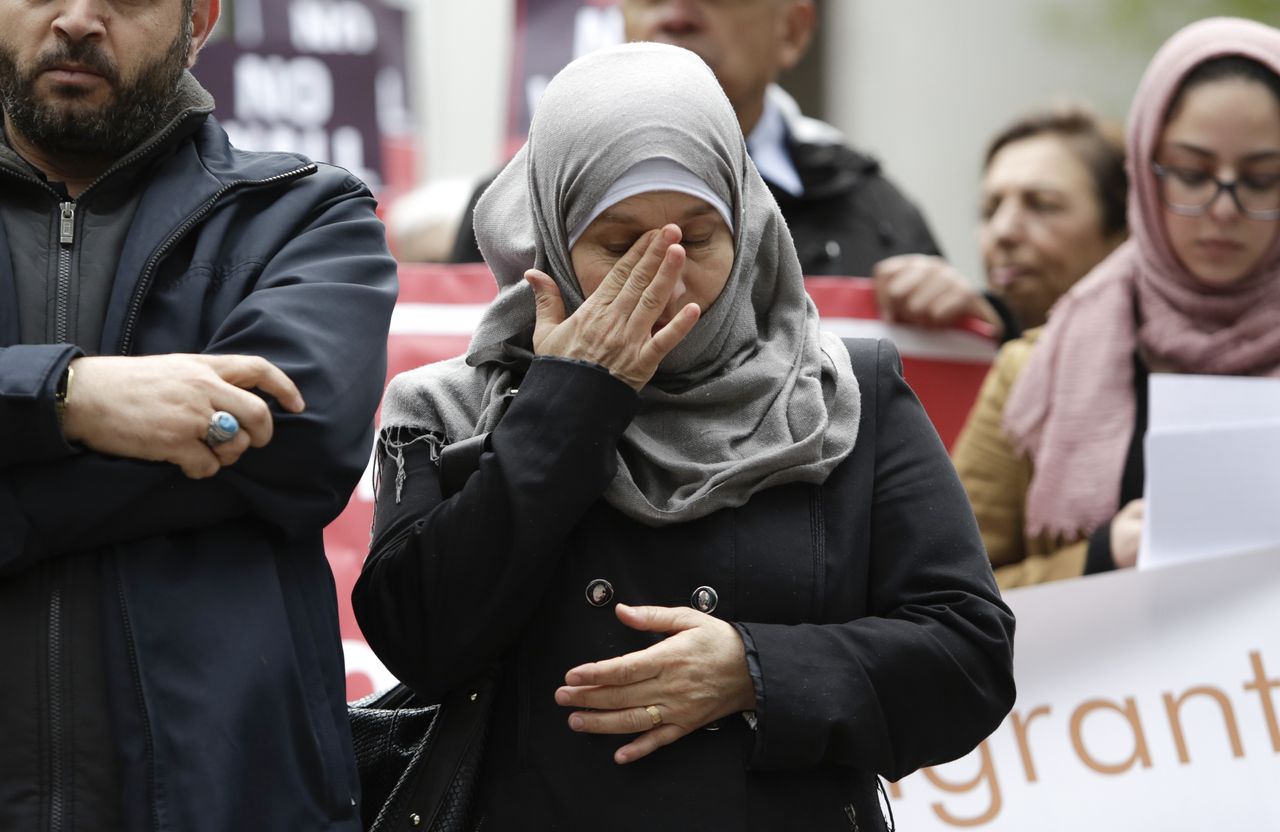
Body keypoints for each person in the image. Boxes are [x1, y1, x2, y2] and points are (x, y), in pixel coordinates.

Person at [355, 43, 1014, 830]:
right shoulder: (445, 408)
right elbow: (423, 642)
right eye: (617, 244)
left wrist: (756, 672)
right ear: (551, 242)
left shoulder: (844, 393)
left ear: (746, 227)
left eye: (698, 239)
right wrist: (569, 403)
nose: (661, 274)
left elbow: (968, 654)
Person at [0, 0, 397, 828]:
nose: (77, 19)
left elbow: (297, 435)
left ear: (201, 19)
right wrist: (71, 399)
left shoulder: (304, 215)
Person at [952, 17, 1280, 588]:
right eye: (1191, 172)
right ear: (1146, 174)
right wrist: (1099, 557)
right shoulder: (1035, 372)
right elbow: (941, 597)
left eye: (1261, 179)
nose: (1223, 207)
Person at [448, 0, 953, 282]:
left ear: (793, 30)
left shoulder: (879, 216)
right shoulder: (515, 208)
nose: (677, 12)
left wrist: (977, 322)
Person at [875, 106, 1128, 341]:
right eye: (989, 210)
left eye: (1042, 205)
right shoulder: (959, 337)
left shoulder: (1159, 365)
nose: (1003, 231)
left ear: (1123, 231)